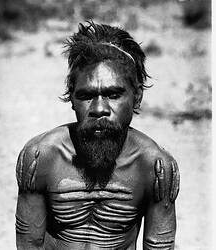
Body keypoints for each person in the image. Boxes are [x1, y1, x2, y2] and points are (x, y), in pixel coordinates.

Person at [15, 21, 180, 250]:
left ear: (137, 97)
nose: (99, 109)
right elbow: (29, 243)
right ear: (71, 98)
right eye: (86, 96)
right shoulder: (41, 158)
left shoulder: (155, 167)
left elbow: (159, 245)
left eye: (113, 94)